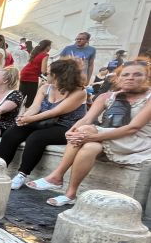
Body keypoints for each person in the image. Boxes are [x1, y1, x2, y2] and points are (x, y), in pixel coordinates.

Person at [26, 61, 151, 206]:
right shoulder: (106, 96)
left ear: (147, 77)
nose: (130, 78)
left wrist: (91, 136)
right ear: (119, 77)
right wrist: (71, 131)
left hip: (135, 140)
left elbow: (133, 128)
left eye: (137, 75)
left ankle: (57, 176)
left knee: (86, 130)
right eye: (126, 74)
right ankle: (71, 194)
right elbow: (86, 118)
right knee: (89, 147)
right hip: (109, 139)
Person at [0, 58, 88, 189]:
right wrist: (24, 117)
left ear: (58, 76)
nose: (45, 74)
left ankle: (22, 175)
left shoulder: (79, 92)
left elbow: (55, 112)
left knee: (36, 137)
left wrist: (30, 119)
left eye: (48, 73)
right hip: (43, 121)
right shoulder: (45, 87)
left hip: (67, 127)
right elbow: (35, 107)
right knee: (13, 131)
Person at [19, 40, 51, 108]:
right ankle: (25, 115)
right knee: (30, 99)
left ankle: (15, 112)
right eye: (50, 46)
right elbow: (43, 71)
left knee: (21, 96)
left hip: (24, 73)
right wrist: (50, 73)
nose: (50, 48)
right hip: (31, 76)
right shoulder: (45, 55)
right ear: (47, 47)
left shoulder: (37, 52)